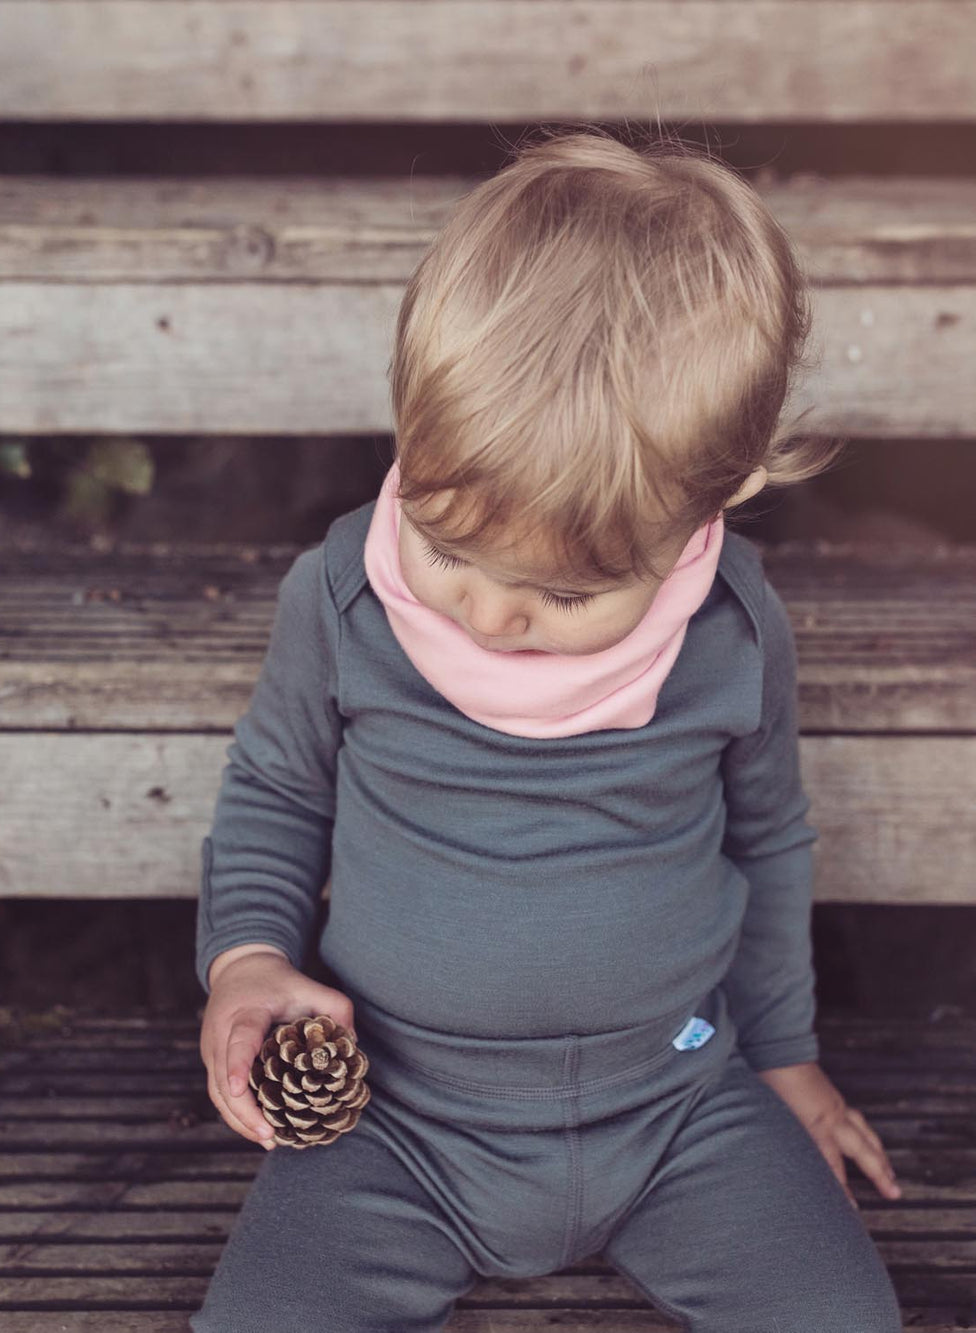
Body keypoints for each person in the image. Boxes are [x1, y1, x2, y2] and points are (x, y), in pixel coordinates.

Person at [191, 127, 903, 1332]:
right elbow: (275, 791)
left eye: (567, 596)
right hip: (393, 1120)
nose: (490, 610)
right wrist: (246, 960)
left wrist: (783, 1054)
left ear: (704, 509)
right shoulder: (345, 597)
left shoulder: (730, 629)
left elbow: (768, 839)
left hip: (677, 1098)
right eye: (446, 547)